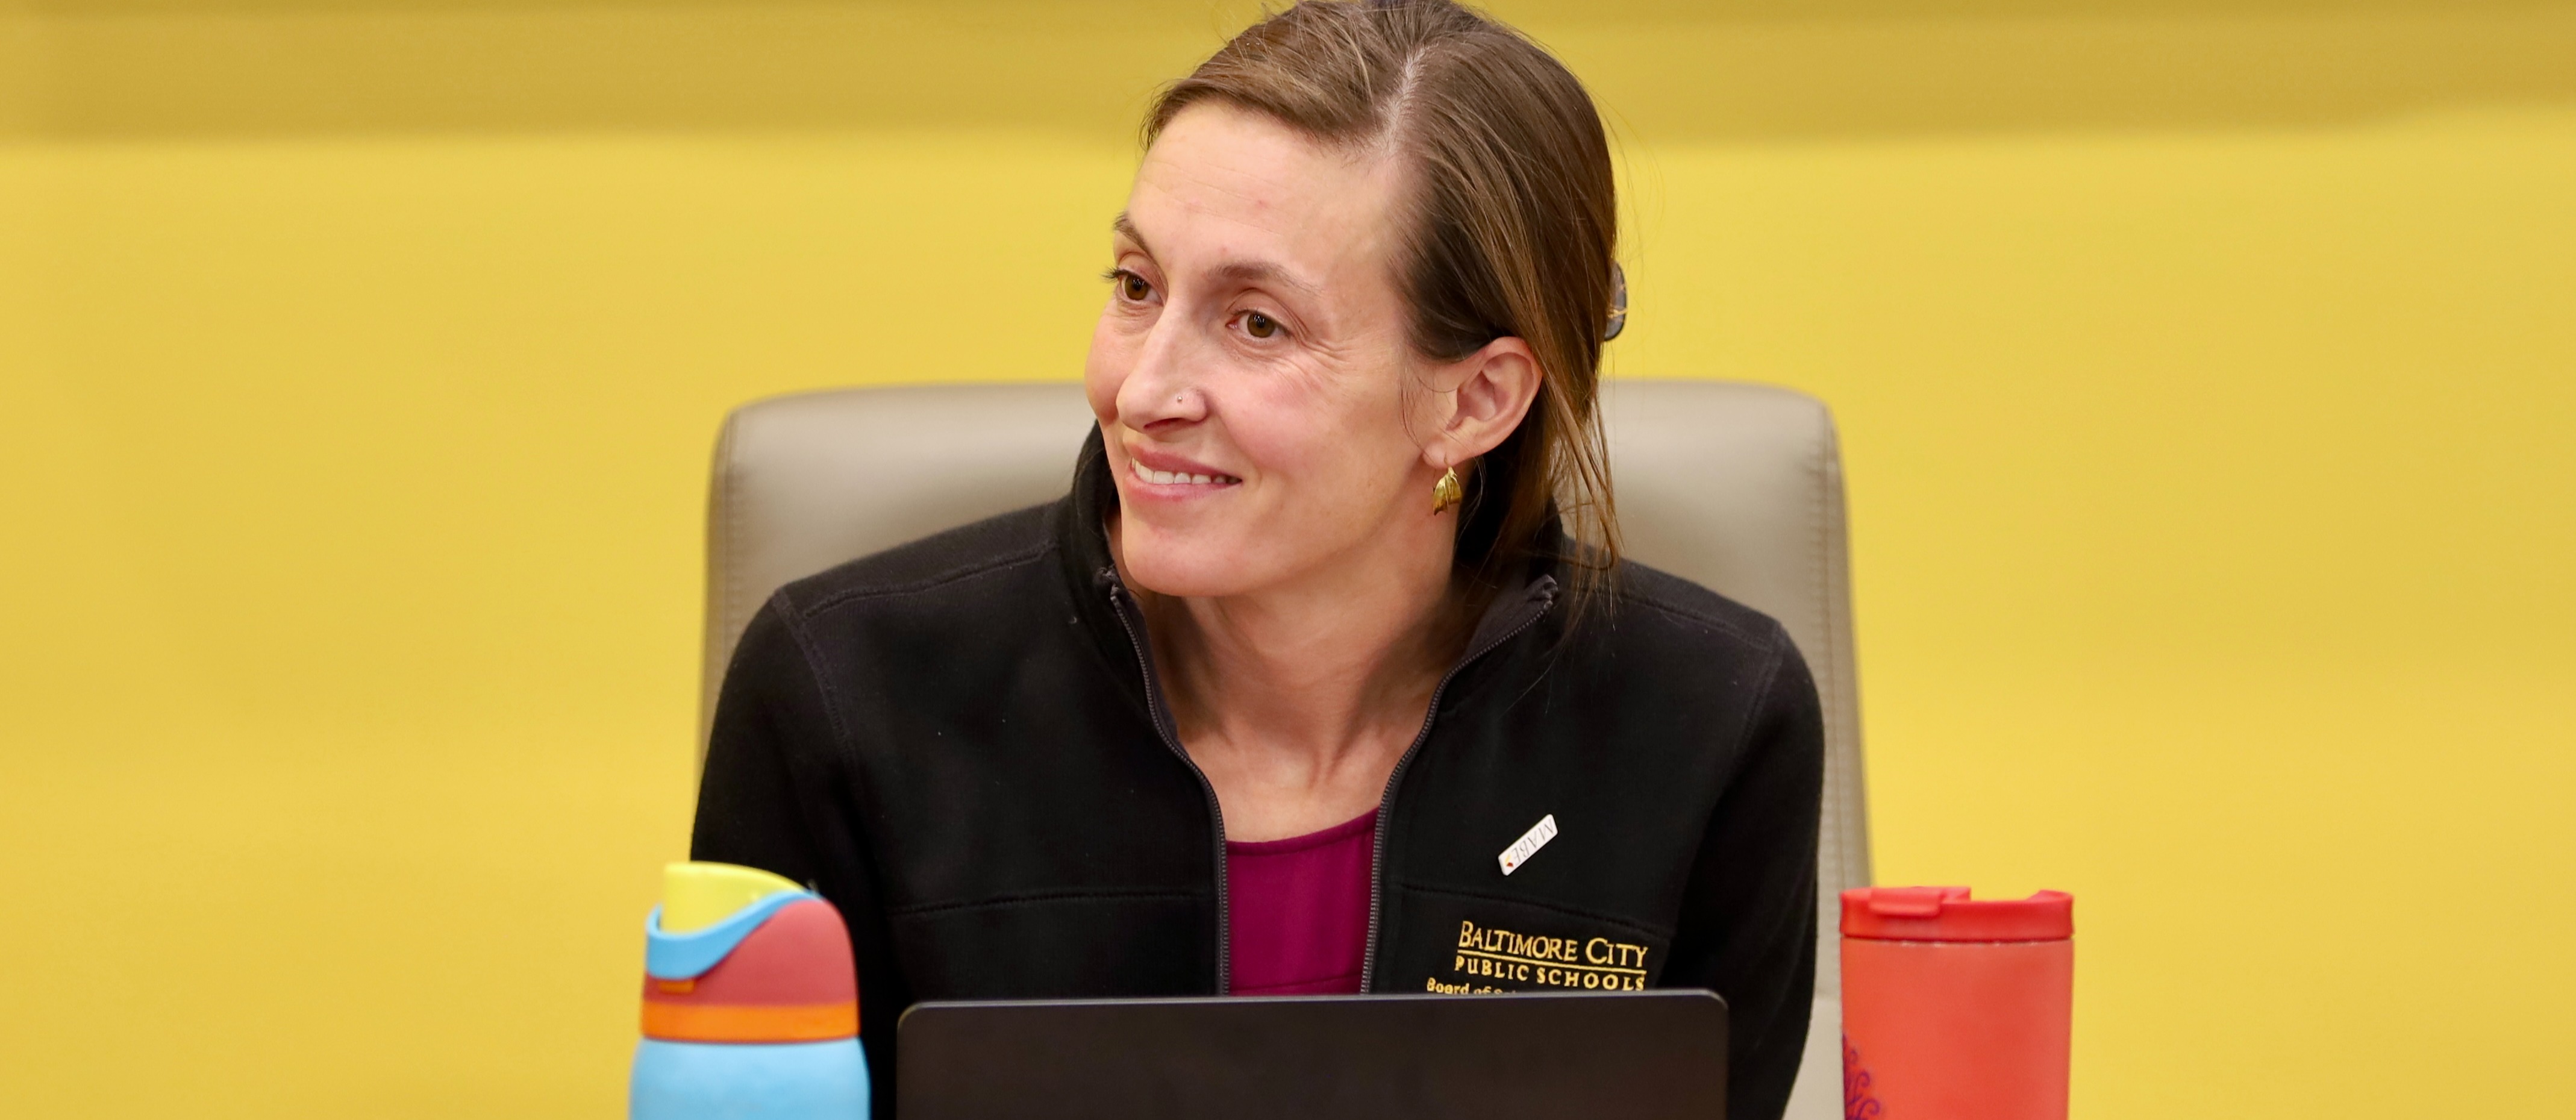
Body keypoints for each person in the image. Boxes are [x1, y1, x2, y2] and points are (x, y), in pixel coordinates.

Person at [690, 1, 1824, 1116]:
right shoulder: (844, 696)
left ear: (1476, 399)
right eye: (1137, 288)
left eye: (1257, 324)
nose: (1141, 393)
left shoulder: (1712, 725)